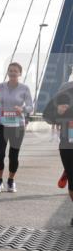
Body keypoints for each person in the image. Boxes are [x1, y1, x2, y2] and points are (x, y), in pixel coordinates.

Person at [0, 62, 34, 193]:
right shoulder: (0, 86)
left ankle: (11, 180)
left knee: (13, 156)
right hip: (1, 125)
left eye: (15, 71)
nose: (13, 72)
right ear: (8, 72)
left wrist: (23, 109)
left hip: (17, 126)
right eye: (10, 70)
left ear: (20, 73)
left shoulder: (25, 88)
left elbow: (31, 107)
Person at [42, 80, 73, 224]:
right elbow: (47, 115)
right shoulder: (65, 91)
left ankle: (68, 170)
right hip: (68, 144)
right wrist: (58, 111)